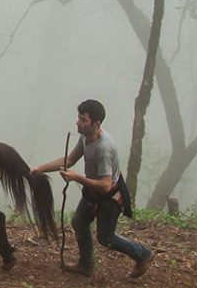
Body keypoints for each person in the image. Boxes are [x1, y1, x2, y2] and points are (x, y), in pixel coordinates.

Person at [31, 99, 155, 278]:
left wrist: (76, 177)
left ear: (96, 124)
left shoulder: (104, 148)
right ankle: (86, 265)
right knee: (79, 222)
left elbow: (105, 185)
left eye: (83, 120)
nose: (78, 123)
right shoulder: (85, 137)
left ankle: (143, 254)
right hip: (92, 192)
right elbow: (70, 160)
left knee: (106, 239)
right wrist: (40, 168)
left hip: (109, 197)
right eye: (79, 118)